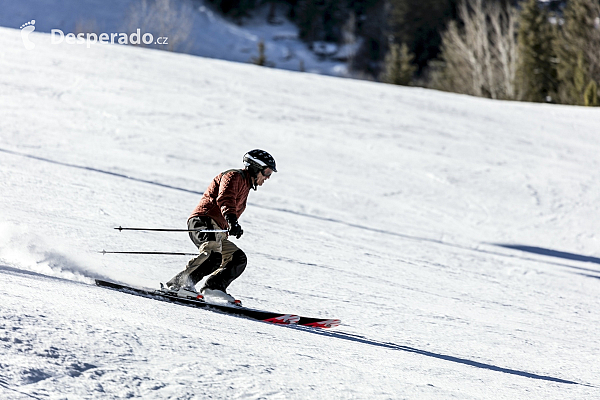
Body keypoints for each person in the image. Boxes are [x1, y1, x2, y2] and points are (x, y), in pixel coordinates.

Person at [166, 149, 277, 304]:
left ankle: (214, 287)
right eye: (267, 172)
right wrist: (232, 221)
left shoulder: (245, 186)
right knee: (213, 256)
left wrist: (230, 227)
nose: (267, 177)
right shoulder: (234, 176)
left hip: (218, 230)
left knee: (237, 258)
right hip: (203, 220)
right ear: (255, 167)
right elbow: (225, 198)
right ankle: (179, 284)